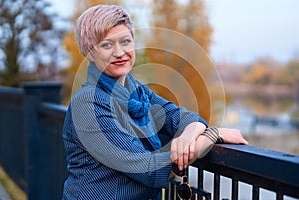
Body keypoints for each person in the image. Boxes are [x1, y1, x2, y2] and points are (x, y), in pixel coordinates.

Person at [62, 4, 248, 200]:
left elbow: (183, 117)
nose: (119, 52)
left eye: (125, 41)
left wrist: (189, 133)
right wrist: (211, 135)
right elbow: (149, 170)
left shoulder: (137, 92)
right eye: (107, 45)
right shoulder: (88, 104)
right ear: (90, 52)